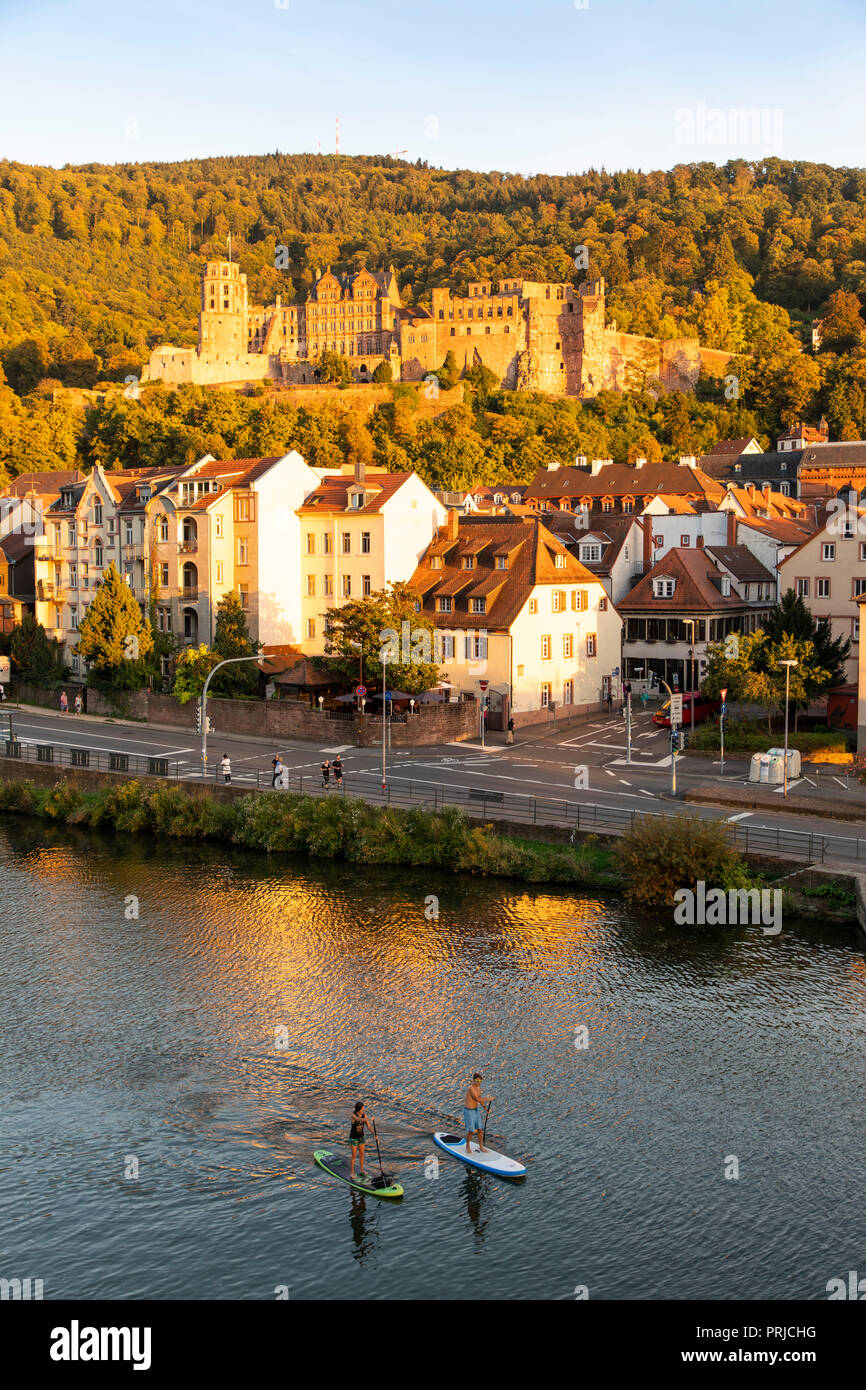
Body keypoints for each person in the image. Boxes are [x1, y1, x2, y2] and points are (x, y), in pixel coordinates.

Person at [463, 1072, 493, 1155]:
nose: (478, 1083)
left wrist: (485, 1108)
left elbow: (479, 1098)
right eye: (477, 1081)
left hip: (475, 1110)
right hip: (468, 1111)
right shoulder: (471, 1088)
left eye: (480, 1081)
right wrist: (488, 1099)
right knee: (471, 1131)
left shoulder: (478, 1088)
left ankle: (481, 1146)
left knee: (480, 1129)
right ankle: (467, 1147)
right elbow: (476, 1098)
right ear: (473, 1080)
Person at [349, 1101, 374, 1179]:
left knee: (362, 1154)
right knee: (354, 1156)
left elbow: (368, 1127)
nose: (363, 1110)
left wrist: (374, 1133)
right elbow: (358, 1119)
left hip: (361, 1137)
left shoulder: (364, 1115)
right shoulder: (353, 1115)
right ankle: (352, 1173)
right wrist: (369, 1118)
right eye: (362, 1109)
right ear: (358, 1109)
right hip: (354, 1138)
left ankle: (362, 1170)